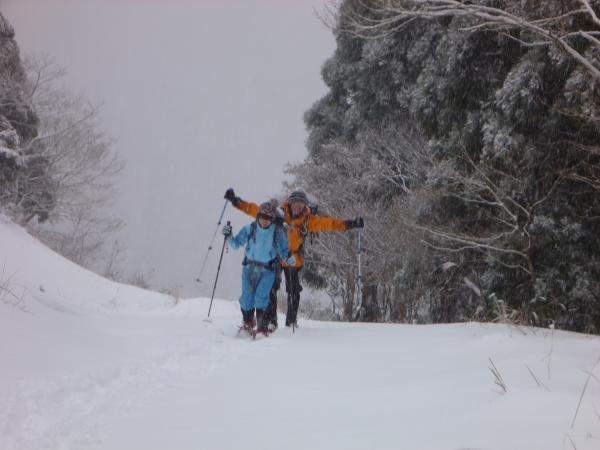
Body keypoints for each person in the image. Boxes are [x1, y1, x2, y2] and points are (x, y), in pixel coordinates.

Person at [224, 188, 364, 328]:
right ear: (289, 203)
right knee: (271, 288)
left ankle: (291, 322)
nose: (297, 206)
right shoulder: (279, 214)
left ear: (305, 205)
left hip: (294, 258)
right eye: (294, 202)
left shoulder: (308, 220)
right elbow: (253, 210)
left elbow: (329, 223)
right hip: (276, 256)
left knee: (293, 290)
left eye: (300, 203)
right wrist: (236, 201)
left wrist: (350, 224)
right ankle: (271, 321)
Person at [222, 201, 292, 335]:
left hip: (268, 271)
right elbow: (236, 244)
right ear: (258, 215)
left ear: (273, 219)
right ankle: (248, 322)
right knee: (246, 299)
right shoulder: (250, 228)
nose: (265, 220)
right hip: (248, 269)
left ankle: (262, 327)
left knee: (261, 298)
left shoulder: (277, 232)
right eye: (262, 216)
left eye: (269, 218)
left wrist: (288, 258)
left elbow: (284, 251)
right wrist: (229, 236)